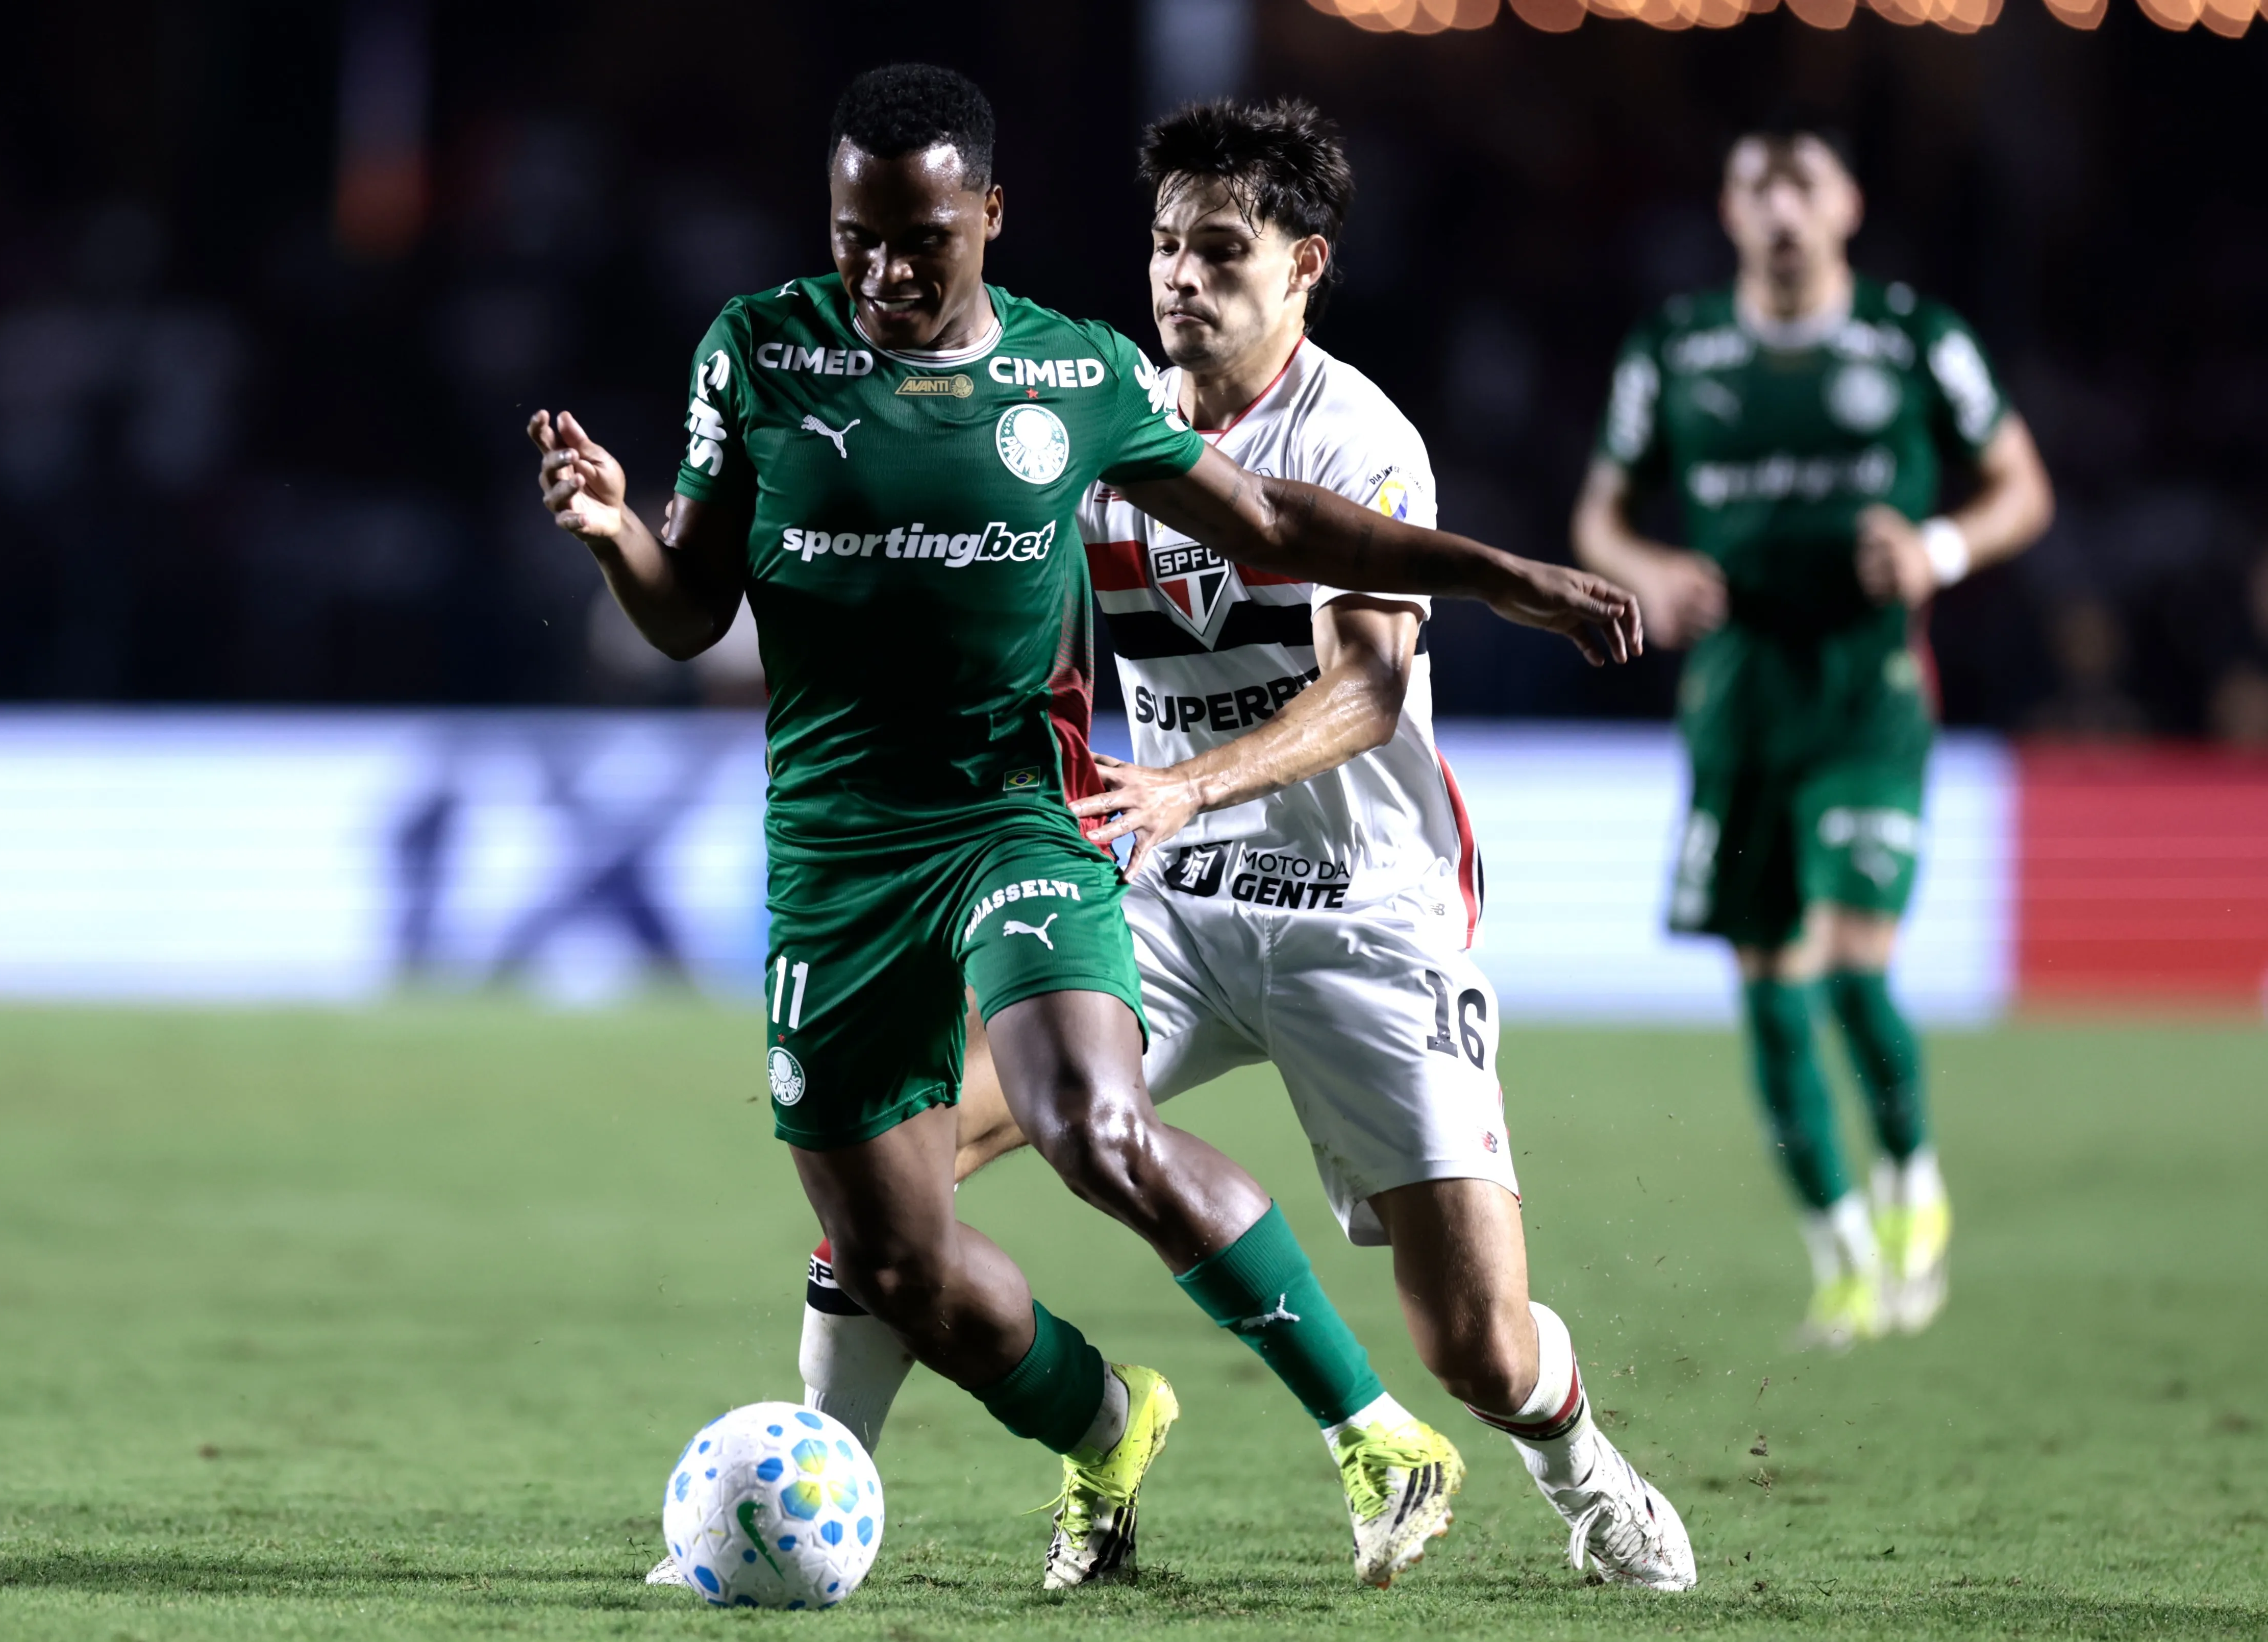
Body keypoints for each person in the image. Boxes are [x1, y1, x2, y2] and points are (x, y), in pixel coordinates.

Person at [535, 64, 1642, 1590]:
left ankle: (1551, 1462)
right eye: (1166, 245)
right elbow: (697, 604)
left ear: (1303, 268)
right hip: (1144, 882)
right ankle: (897, 1461)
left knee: (1479, 1344)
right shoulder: (971, 374)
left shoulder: (1314, 427)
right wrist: (617, 534)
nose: (1182, 277)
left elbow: (1363, 680)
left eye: (1221, 252)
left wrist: (1495, 582)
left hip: (1349, 901)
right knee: (893, 1202)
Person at [1572, 115, 2052, 1349]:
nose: (1781, 208)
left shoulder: (1912, 337)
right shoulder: (1674, 349)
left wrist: (1938, 548)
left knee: (1846, 962)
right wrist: (1650, 573)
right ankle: (1840, 1254)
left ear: (1845, 207)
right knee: (1767, 985)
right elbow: (1600, 515)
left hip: (1866, 692)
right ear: (1731, 214)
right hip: (1738, 701)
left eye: (1804, 185)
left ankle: (1912, 1176)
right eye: (1757, 187)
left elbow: (2021, 486)